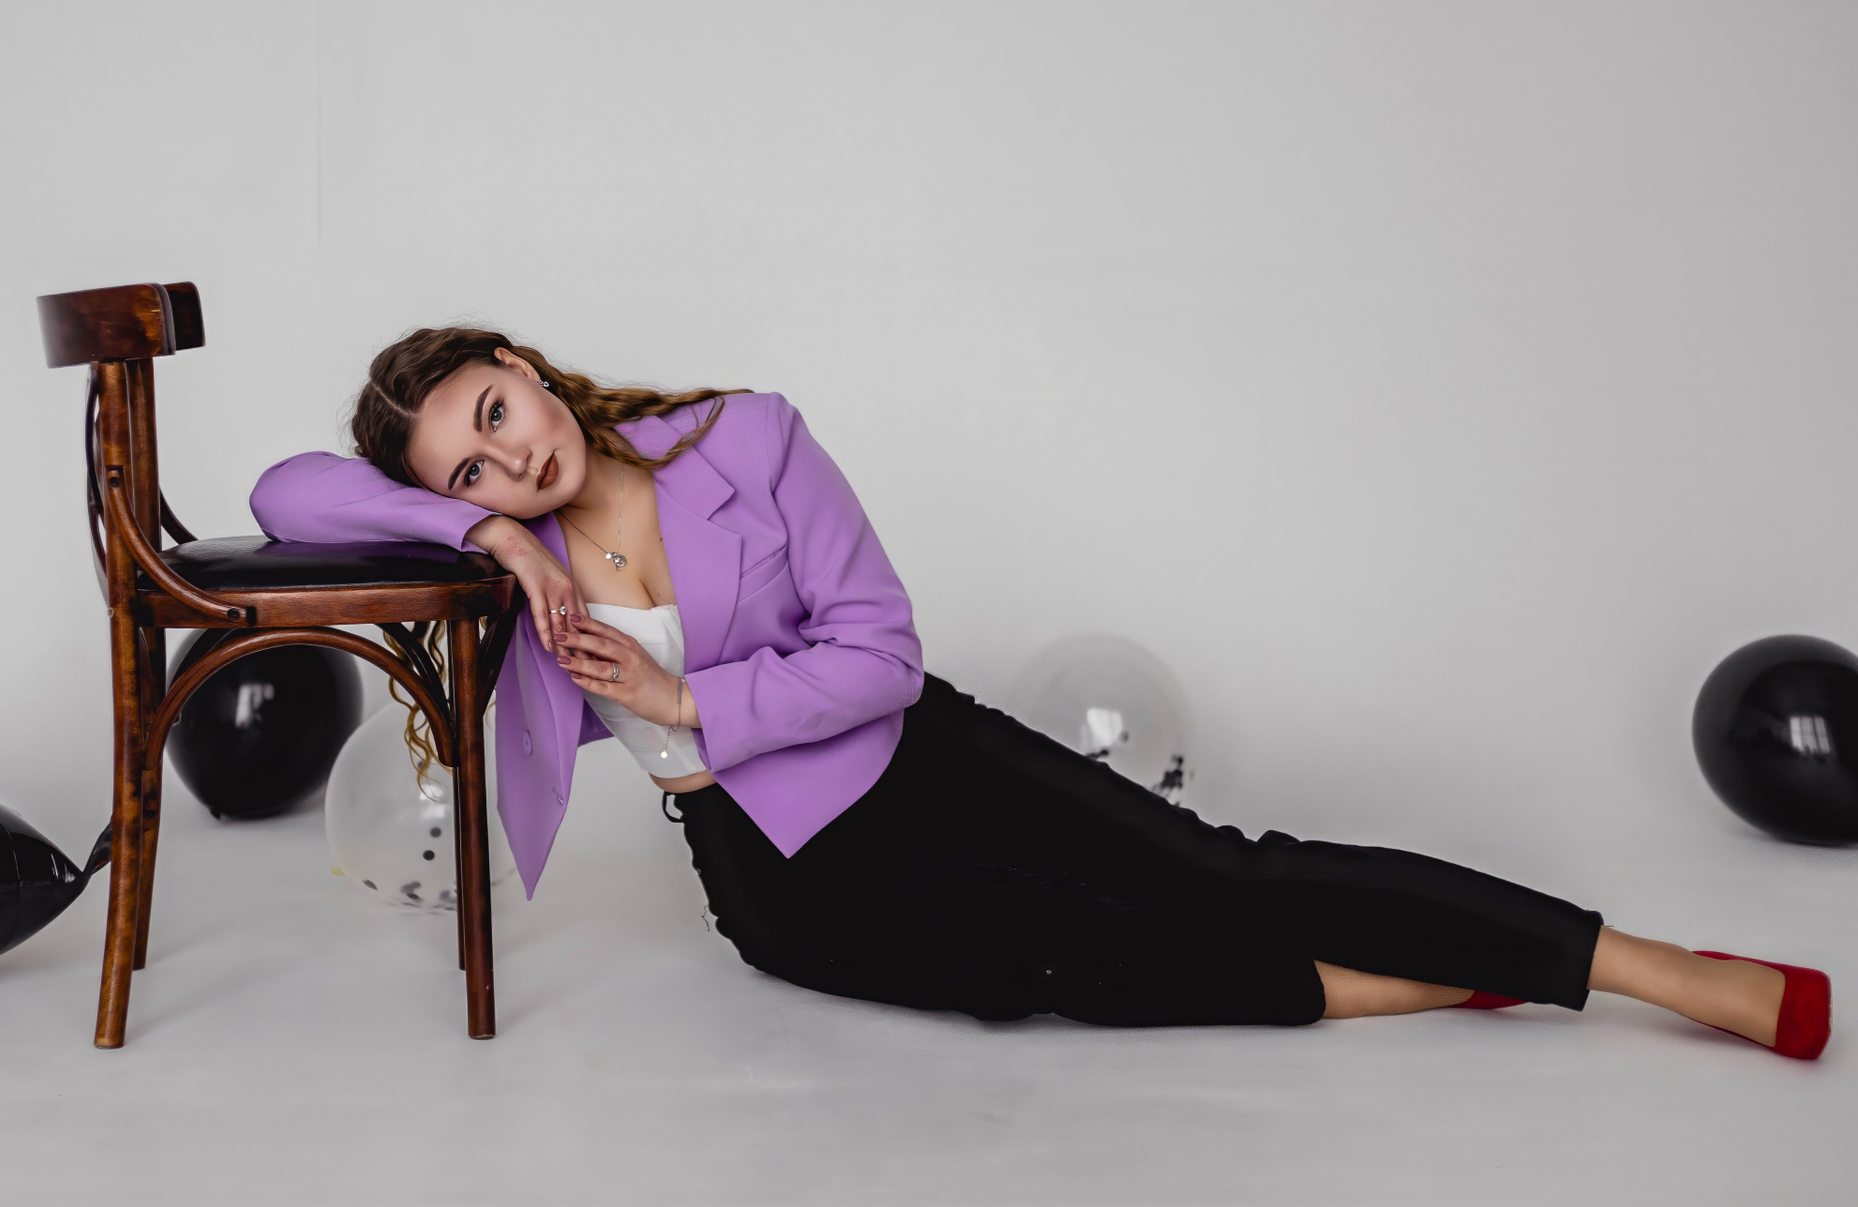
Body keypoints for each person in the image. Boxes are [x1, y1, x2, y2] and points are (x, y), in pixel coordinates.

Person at [250, 328, 1831, 1058]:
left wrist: (686, 699)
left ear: (529, 368)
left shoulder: (749, 437)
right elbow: (287, 493)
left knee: (1226, 876)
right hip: (771, 876)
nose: (508, 457)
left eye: (496, 412)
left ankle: (1651, 969)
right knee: (1057, 971)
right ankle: (1410, 983)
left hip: (917, 759)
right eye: (465, 469)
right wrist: (485, 538)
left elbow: (880, 652)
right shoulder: (504, 554)